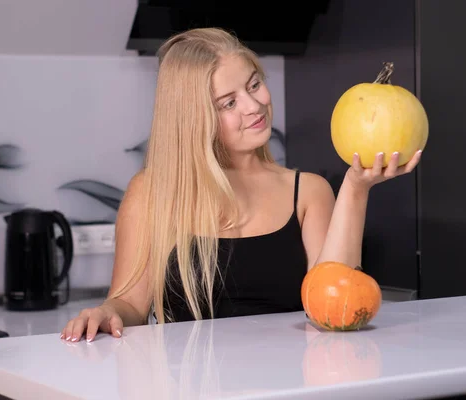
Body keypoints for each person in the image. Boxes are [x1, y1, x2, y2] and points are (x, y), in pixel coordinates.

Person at [60, 27, 422, 343]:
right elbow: (130, 305)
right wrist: (108, 313)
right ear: (194, 118)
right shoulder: (152, 192)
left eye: (254, 85)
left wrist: (356, 188)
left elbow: (334, 310)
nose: (254, 105)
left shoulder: (308, 192)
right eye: (229, 102)